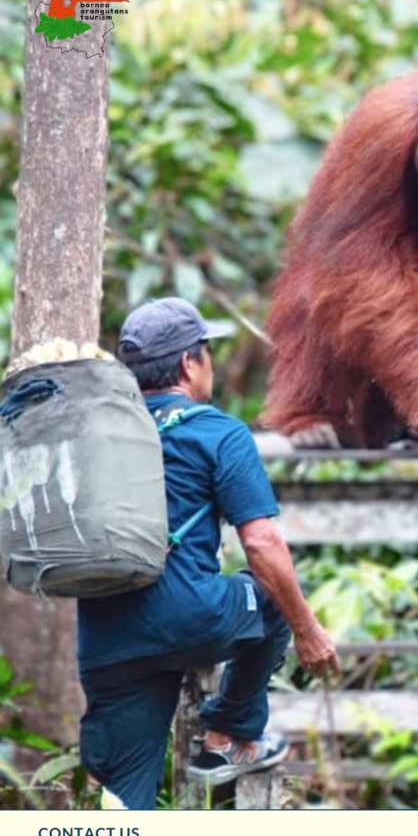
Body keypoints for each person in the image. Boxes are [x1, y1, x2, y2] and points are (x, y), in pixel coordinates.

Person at [77, 297, 340, 809]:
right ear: (187, 364)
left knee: (123, 802)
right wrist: (307, 631)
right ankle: (229, 735)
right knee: (269, 597)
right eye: (206, 352)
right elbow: (262, 545)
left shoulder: (93, 434)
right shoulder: (217, 432)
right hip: (190, 619)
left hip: (106, 639)